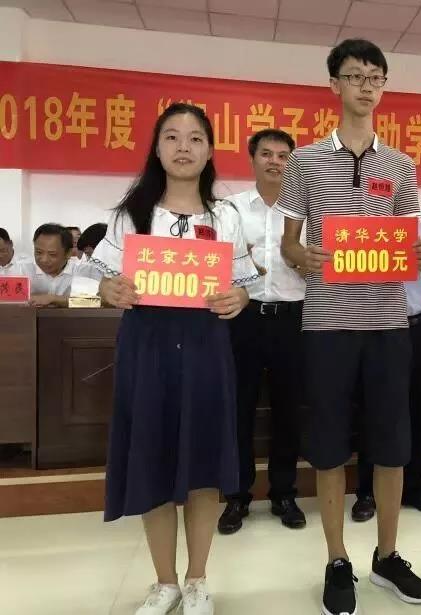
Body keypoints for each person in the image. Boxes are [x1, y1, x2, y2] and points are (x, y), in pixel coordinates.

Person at [278, 38, 421, 615]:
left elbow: (406, 238)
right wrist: (306, 256)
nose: (366, 86)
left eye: (375, 77)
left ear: (383, 86)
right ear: (334, 85)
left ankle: (387, 556)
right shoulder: (304, 161)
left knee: (392, 444)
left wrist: (415, 251)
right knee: (328, 447)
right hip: (327, 324)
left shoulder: (401, 165)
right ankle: (337, 559)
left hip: (389, 322)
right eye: (355, 76)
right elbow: (289, 244)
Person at [90, 103, 257, 615]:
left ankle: (197, 579)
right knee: (153, 458)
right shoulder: (131, 214)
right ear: (157, 148)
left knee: (204, 462)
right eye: (172, 136)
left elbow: (244, 285)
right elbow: (102, 282)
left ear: (209, 150)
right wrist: (109, 290)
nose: (183, 147)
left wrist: (239, 298)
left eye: (195, 138)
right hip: (148, 346)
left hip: (206, 346)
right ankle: (164, 582)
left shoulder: (225, 216)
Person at [217, 128, 308, 534]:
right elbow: (214, 261)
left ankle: (284, 493)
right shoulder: (230, 209)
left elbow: (320, 264)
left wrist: (306, 264)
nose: (275, 161)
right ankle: (237, 496)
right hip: (244, 316)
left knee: (290, 408)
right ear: (252, 159)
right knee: (240, 407)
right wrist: (240, 265)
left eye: (283, 155)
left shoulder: (306, 208)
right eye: (267, 154)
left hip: (293, 317)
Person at [353, 219, 421, 521]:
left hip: (415, 327)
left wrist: (417, 257)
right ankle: (367, 493)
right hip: (374, 330)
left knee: (417, 409)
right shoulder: (360, 228)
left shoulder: (419, 227)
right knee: (372, 410)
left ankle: (414, 488)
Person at [24, 223, 77, 307]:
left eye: (52, 254)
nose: (44, 260)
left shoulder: (81, 270)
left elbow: (92, 302)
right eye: (39, 252)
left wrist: (53, 299)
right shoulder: (21, 269)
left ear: (68, 253)